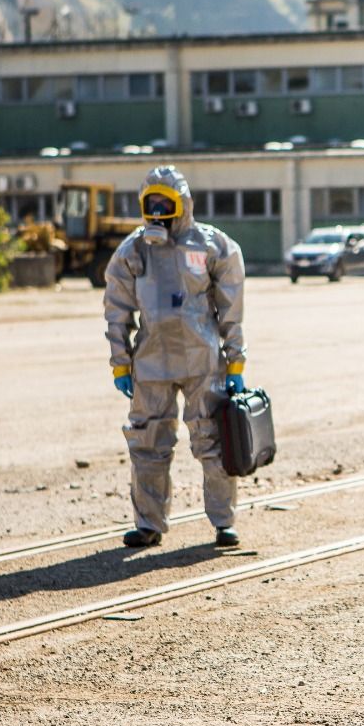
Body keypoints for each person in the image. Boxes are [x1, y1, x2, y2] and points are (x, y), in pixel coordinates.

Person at [104, 165, 246, 550]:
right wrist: (121, 361)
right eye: (150, 203)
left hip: (202, 360)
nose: (156, 211)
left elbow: (231, 308)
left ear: (182, 204)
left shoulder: (213, 246)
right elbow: (116, 308)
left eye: (164, 203)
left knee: (213, 441)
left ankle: (223, 522)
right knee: (147, 444)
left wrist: (235, 360)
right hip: (151, 362)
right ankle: (148, 525)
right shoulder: (133, 251)